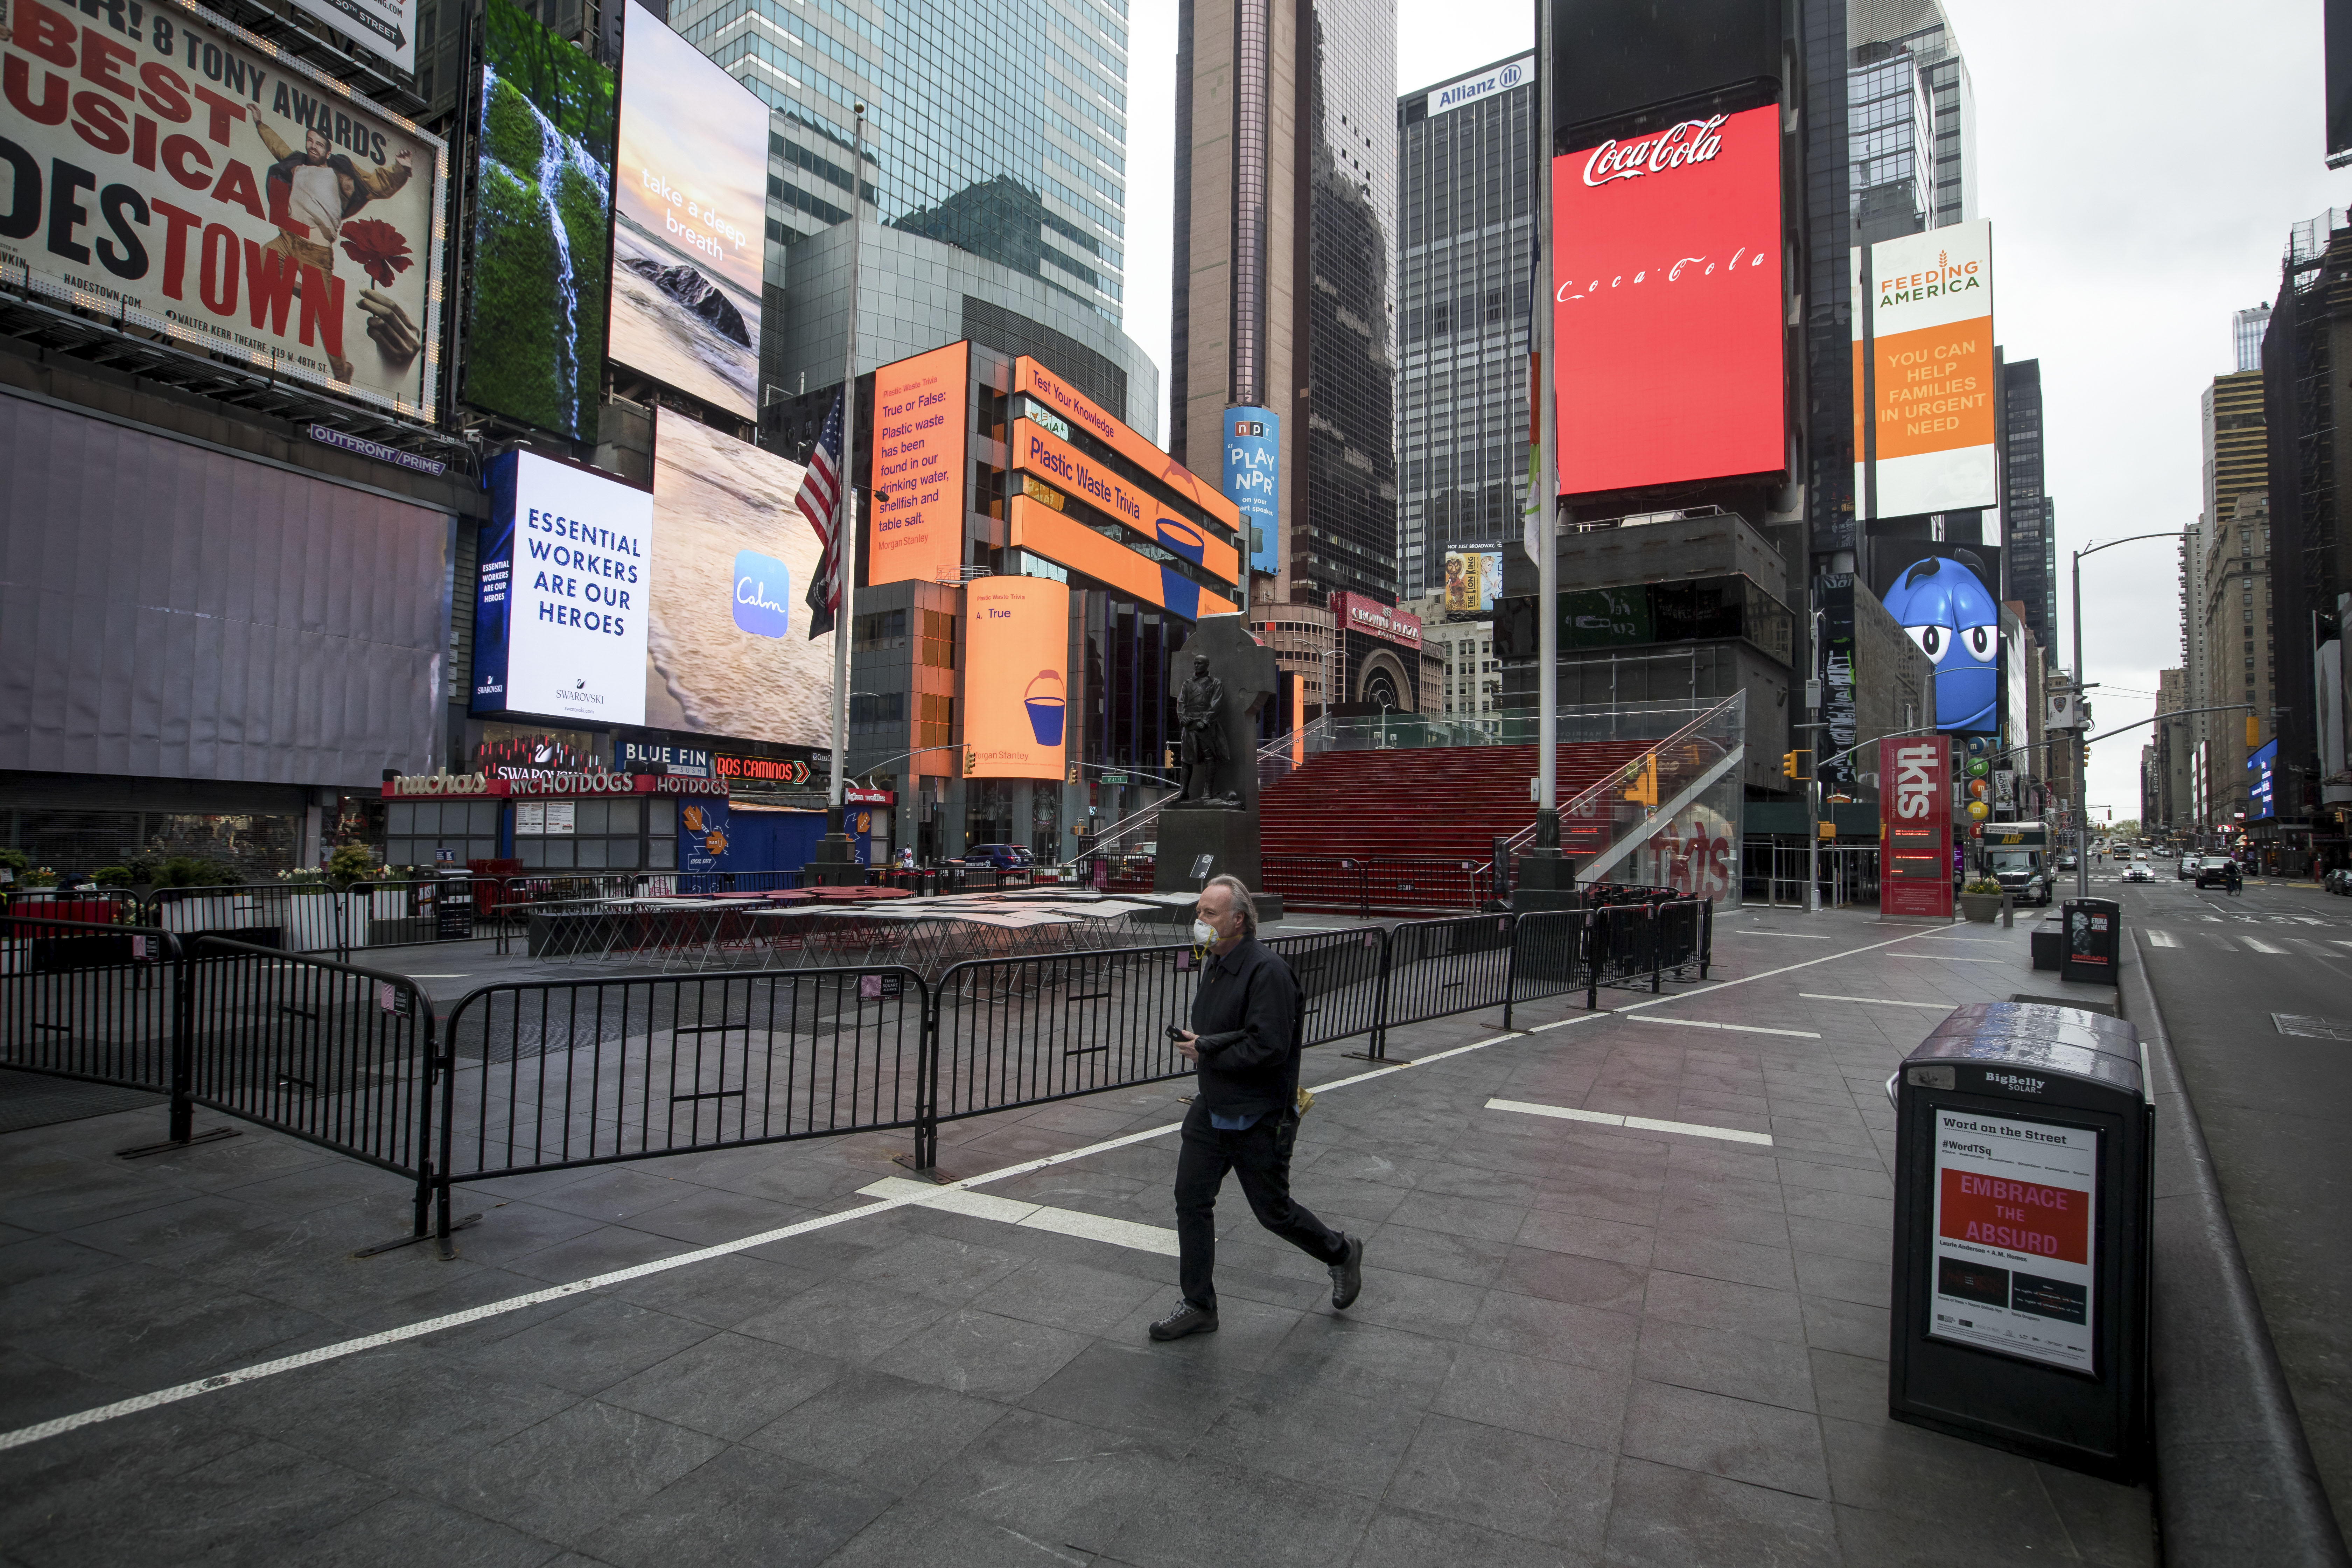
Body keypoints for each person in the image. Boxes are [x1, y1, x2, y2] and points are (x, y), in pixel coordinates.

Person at [1151, 874, 1361, 1341]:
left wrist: (1208, 1049)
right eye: (1199, 911)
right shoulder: (1214, 964)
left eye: (1209, 913)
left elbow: (1269, 1046)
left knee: (1274, 1212)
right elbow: (1223, 1031)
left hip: (1259, 1114)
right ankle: (1198, 1304)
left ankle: (1341, 1253)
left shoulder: (1268, 971)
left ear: (1238, 920)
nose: (1199, 921)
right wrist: (1202, 1044)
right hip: (1213, 1107)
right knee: (1191, 1200)